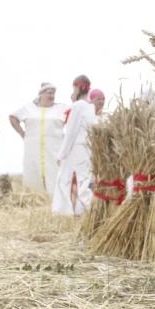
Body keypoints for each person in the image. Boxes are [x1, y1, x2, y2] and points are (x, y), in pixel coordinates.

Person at [9, 82, 67, 195]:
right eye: (49, 93)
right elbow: (13, 117)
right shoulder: (28, 108)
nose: (52, 96)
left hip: (54, 148)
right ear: (41, 94)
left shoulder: (61, 108)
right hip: (32, 148)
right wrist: (22, 134)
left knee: (54, 172)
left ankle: (56, 199)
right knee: (32, 172)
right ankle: (35, 198)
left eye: (54, 94)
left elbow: (74, 119)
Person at [53, 75, 98, 216]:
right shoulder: (90, 107)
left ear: (79, 87)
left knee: (65, 180)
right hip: (88, 149)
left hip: (76, 148)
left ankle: (65, 211)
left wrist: (62, 154)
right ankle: (81, 211)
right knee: (83, 180)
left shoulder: (78, 106)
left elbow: (71, 132)